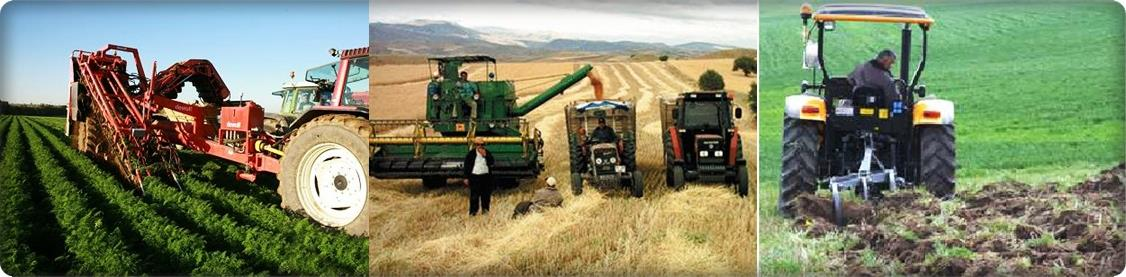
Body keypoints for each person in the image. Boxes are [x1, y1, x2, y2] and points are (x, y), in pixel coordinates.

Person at [463, 137, 495, 216]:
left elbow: (492, 162)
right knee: (474, 196)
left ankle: (485, 212)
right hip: (475, 177)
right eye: (478, 144)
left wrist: (485, 155)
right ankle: (473, 213)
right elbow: (467, 166)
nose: (480, 146)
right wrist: (466, 177)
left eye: (482, 144)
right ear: (475, 145)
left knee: (486, 196)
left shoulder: (487, 153)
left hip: (485, 177)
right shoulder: (471, 154)